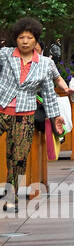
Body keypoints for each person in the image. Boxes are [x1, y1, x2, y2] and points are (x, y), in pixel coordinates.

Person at [1, 18, 66, 213]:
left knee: (18, 158)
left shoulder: (44, 64)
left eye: (29, 37)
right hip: (1, 109)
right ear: (16, 39)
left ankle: (12, 197)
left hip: (25, 115)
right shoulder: (4, 55)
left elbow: (48, 93)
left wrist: (56, 118)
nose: (25, 41)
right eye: (21, 37)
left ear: (36, 40)